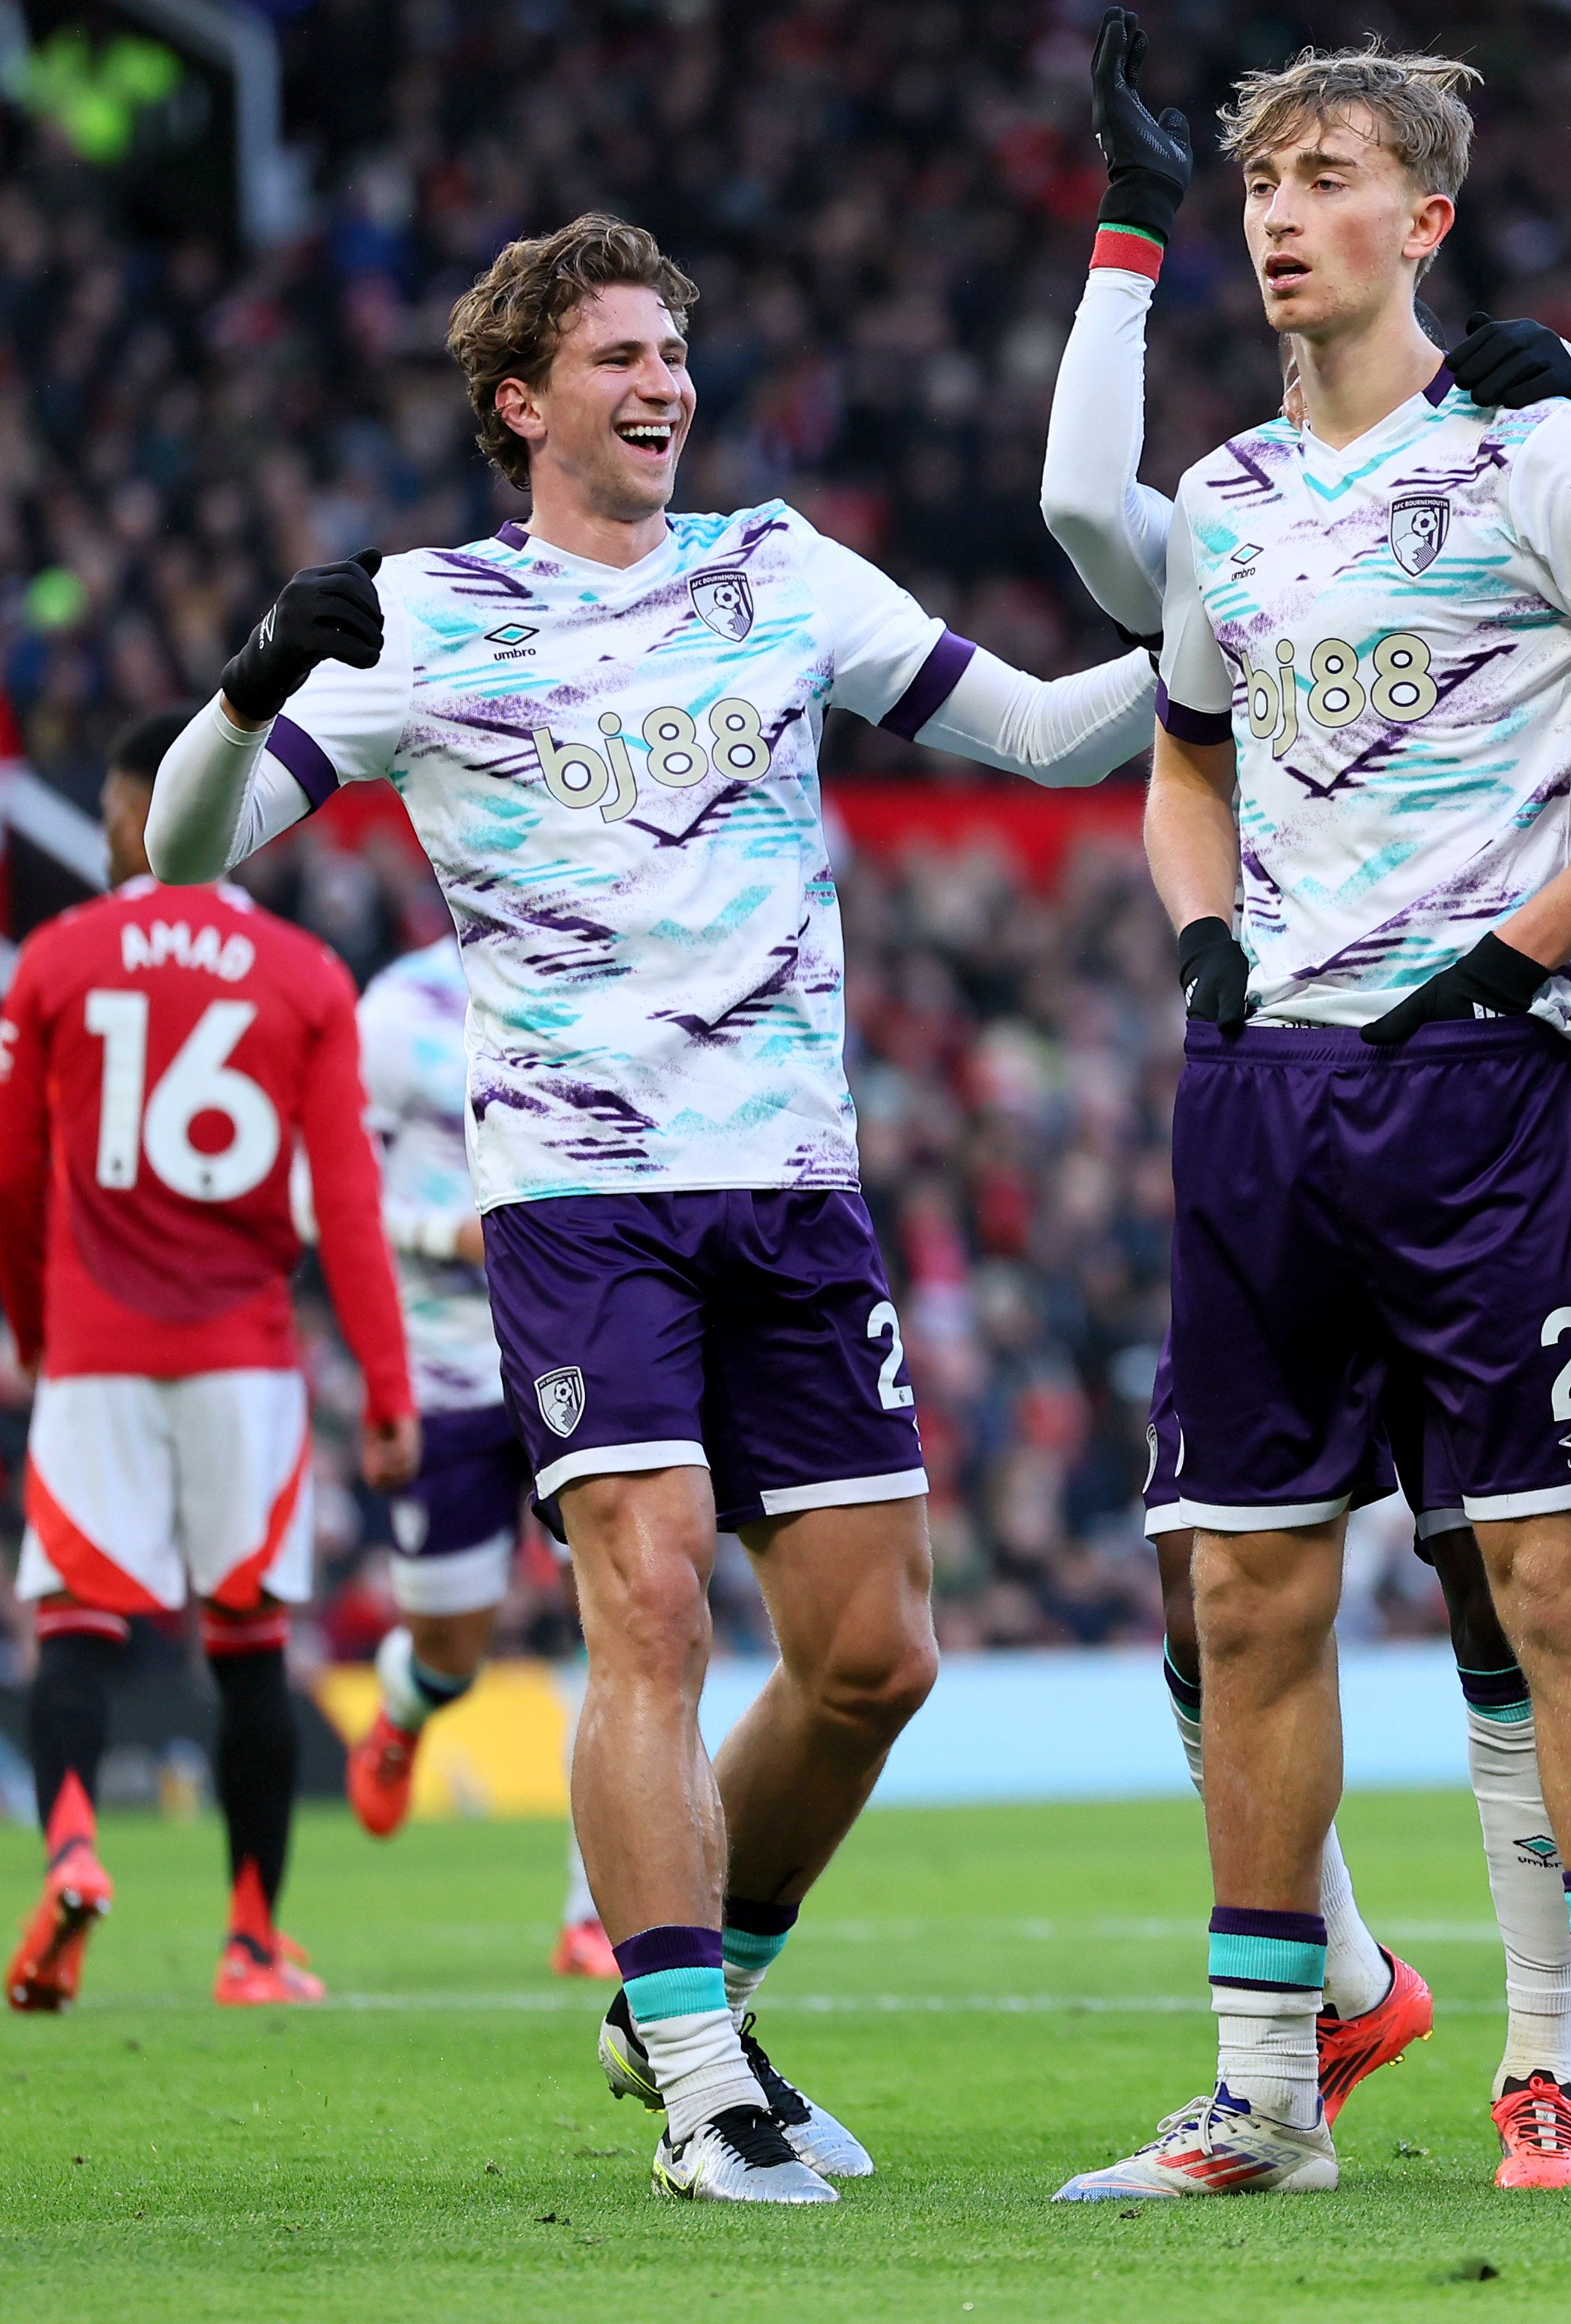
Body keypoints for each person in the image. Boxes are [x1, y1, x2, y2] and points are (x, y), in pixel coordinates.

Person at [144, 213, 1163, 2203]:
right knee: (651, 1584)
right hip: (578, 1192)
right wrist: (250, 679)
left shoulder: (778, 567)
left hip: (793, 1185)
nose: (666, 384)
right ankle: (703, 2076)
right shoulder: (425, 618)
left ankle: (684, 2002)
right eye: (620, 356)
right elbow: (189, 851)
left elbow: (1040, 733)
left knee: (877, 1657)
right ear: (523, 400)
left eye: (676, 351)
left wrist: (1241, 641)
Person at [1044, 12, 1571, 2187]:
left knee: (1543, 1582)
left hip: (1478, 1091)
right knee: (1244, 1592)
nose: (1278, 218)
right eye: (1259, 186)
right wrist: (1199, 941)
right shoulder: (1225, 504)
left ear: (1422, 217)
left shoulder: (1536, 455)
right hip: (1262, 1094)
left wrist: (1525, 956)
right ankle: (1265, 2096)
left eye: (1325, 180)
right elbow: (1182, 757)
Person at [1, 708, 417, 2013]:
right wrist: (390, 1390)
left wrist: (31, 1329)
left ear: (128, 815)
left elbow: (14, 1178)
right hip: (244, 1356)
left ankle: (72, 1840)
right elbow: (345, 1204)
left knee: (73, 1621)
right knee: (245, 1640)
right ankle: (250, 1941)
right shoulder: (302, 975)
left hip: (96, 1348)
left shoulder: (58, 960)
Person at [344, 932, 615, 1979]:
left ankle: (596, 1914)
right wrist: (443, 1235)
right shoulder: (392, 1018)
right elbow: (338, 1195)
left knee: (629, 1624)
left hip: (577, 1347)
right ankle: (409, 1702)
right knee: (451, 1646)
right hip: (445, 1367)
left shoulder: (591, 986)